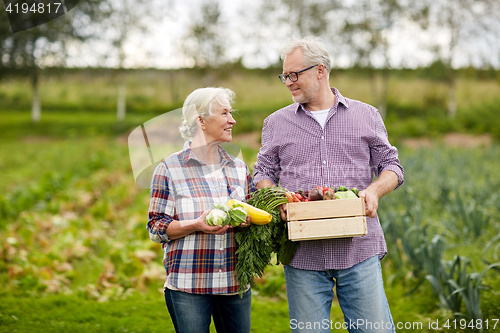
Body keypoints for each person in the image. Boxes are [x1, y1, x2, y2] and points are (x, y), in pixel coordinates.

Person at [253, 37, 404, 333]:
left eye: (294, 75)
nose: (288, 82)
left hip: (358, 248)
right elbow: (262, 172)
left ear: (320, 71)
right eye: (285, 76)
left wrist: (373, 191)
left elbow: (392, 166)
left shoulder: (366, 115)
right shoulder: (276, 123)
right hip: (302, 253)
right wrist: (276, 198)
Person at [147, 87, 254, 333]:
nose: (232, 120)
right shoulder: (169, 169)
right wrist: (196, 224)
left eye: (231, 112)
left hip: (234, 283)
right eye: (225, 113)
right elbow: (156, 228)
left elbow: (251, 214)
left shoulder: (239, 168)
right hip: (188, 284)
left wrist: (248, 221)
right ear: (201, 120)